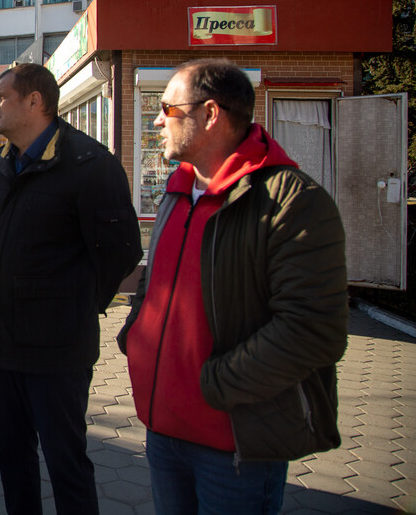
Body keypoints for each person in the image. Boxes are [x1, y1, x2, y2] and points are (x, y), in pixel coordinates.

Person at [118, 59, 348, 514]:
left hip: (235, 447)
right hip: (162, 430)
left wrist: (217, 384)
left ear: (210, 114)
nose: (157, 119)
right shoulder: (178, 188)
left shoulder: (292, 201)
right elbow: (156, 281)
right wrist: (137, 336)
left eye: (167, 108)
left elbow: (313, 330)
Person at [0, 63, 141, 514]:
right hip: (0, 343)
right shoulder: (0, 163)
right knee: (12, 457)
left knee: (65, 461)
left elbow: (121, 252)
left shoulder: (90, 164)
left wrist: (75, 305)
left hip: (57, 352)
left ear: (35, 102)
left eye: (2, 96)